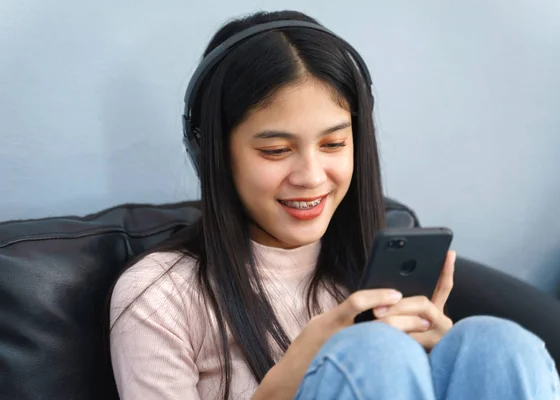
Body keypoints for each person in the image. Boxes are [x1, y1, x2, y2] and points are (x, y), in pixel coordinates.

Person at [107, 10, 560, 400]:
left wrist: (441, 359)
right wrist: (292, 373)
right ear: (212, 154)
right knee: (374, 353)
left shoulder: (368, 268)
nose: (311, 176)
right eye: (276, 150)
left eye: (334, 143)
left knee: (494, 344)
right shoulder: (161, 296)